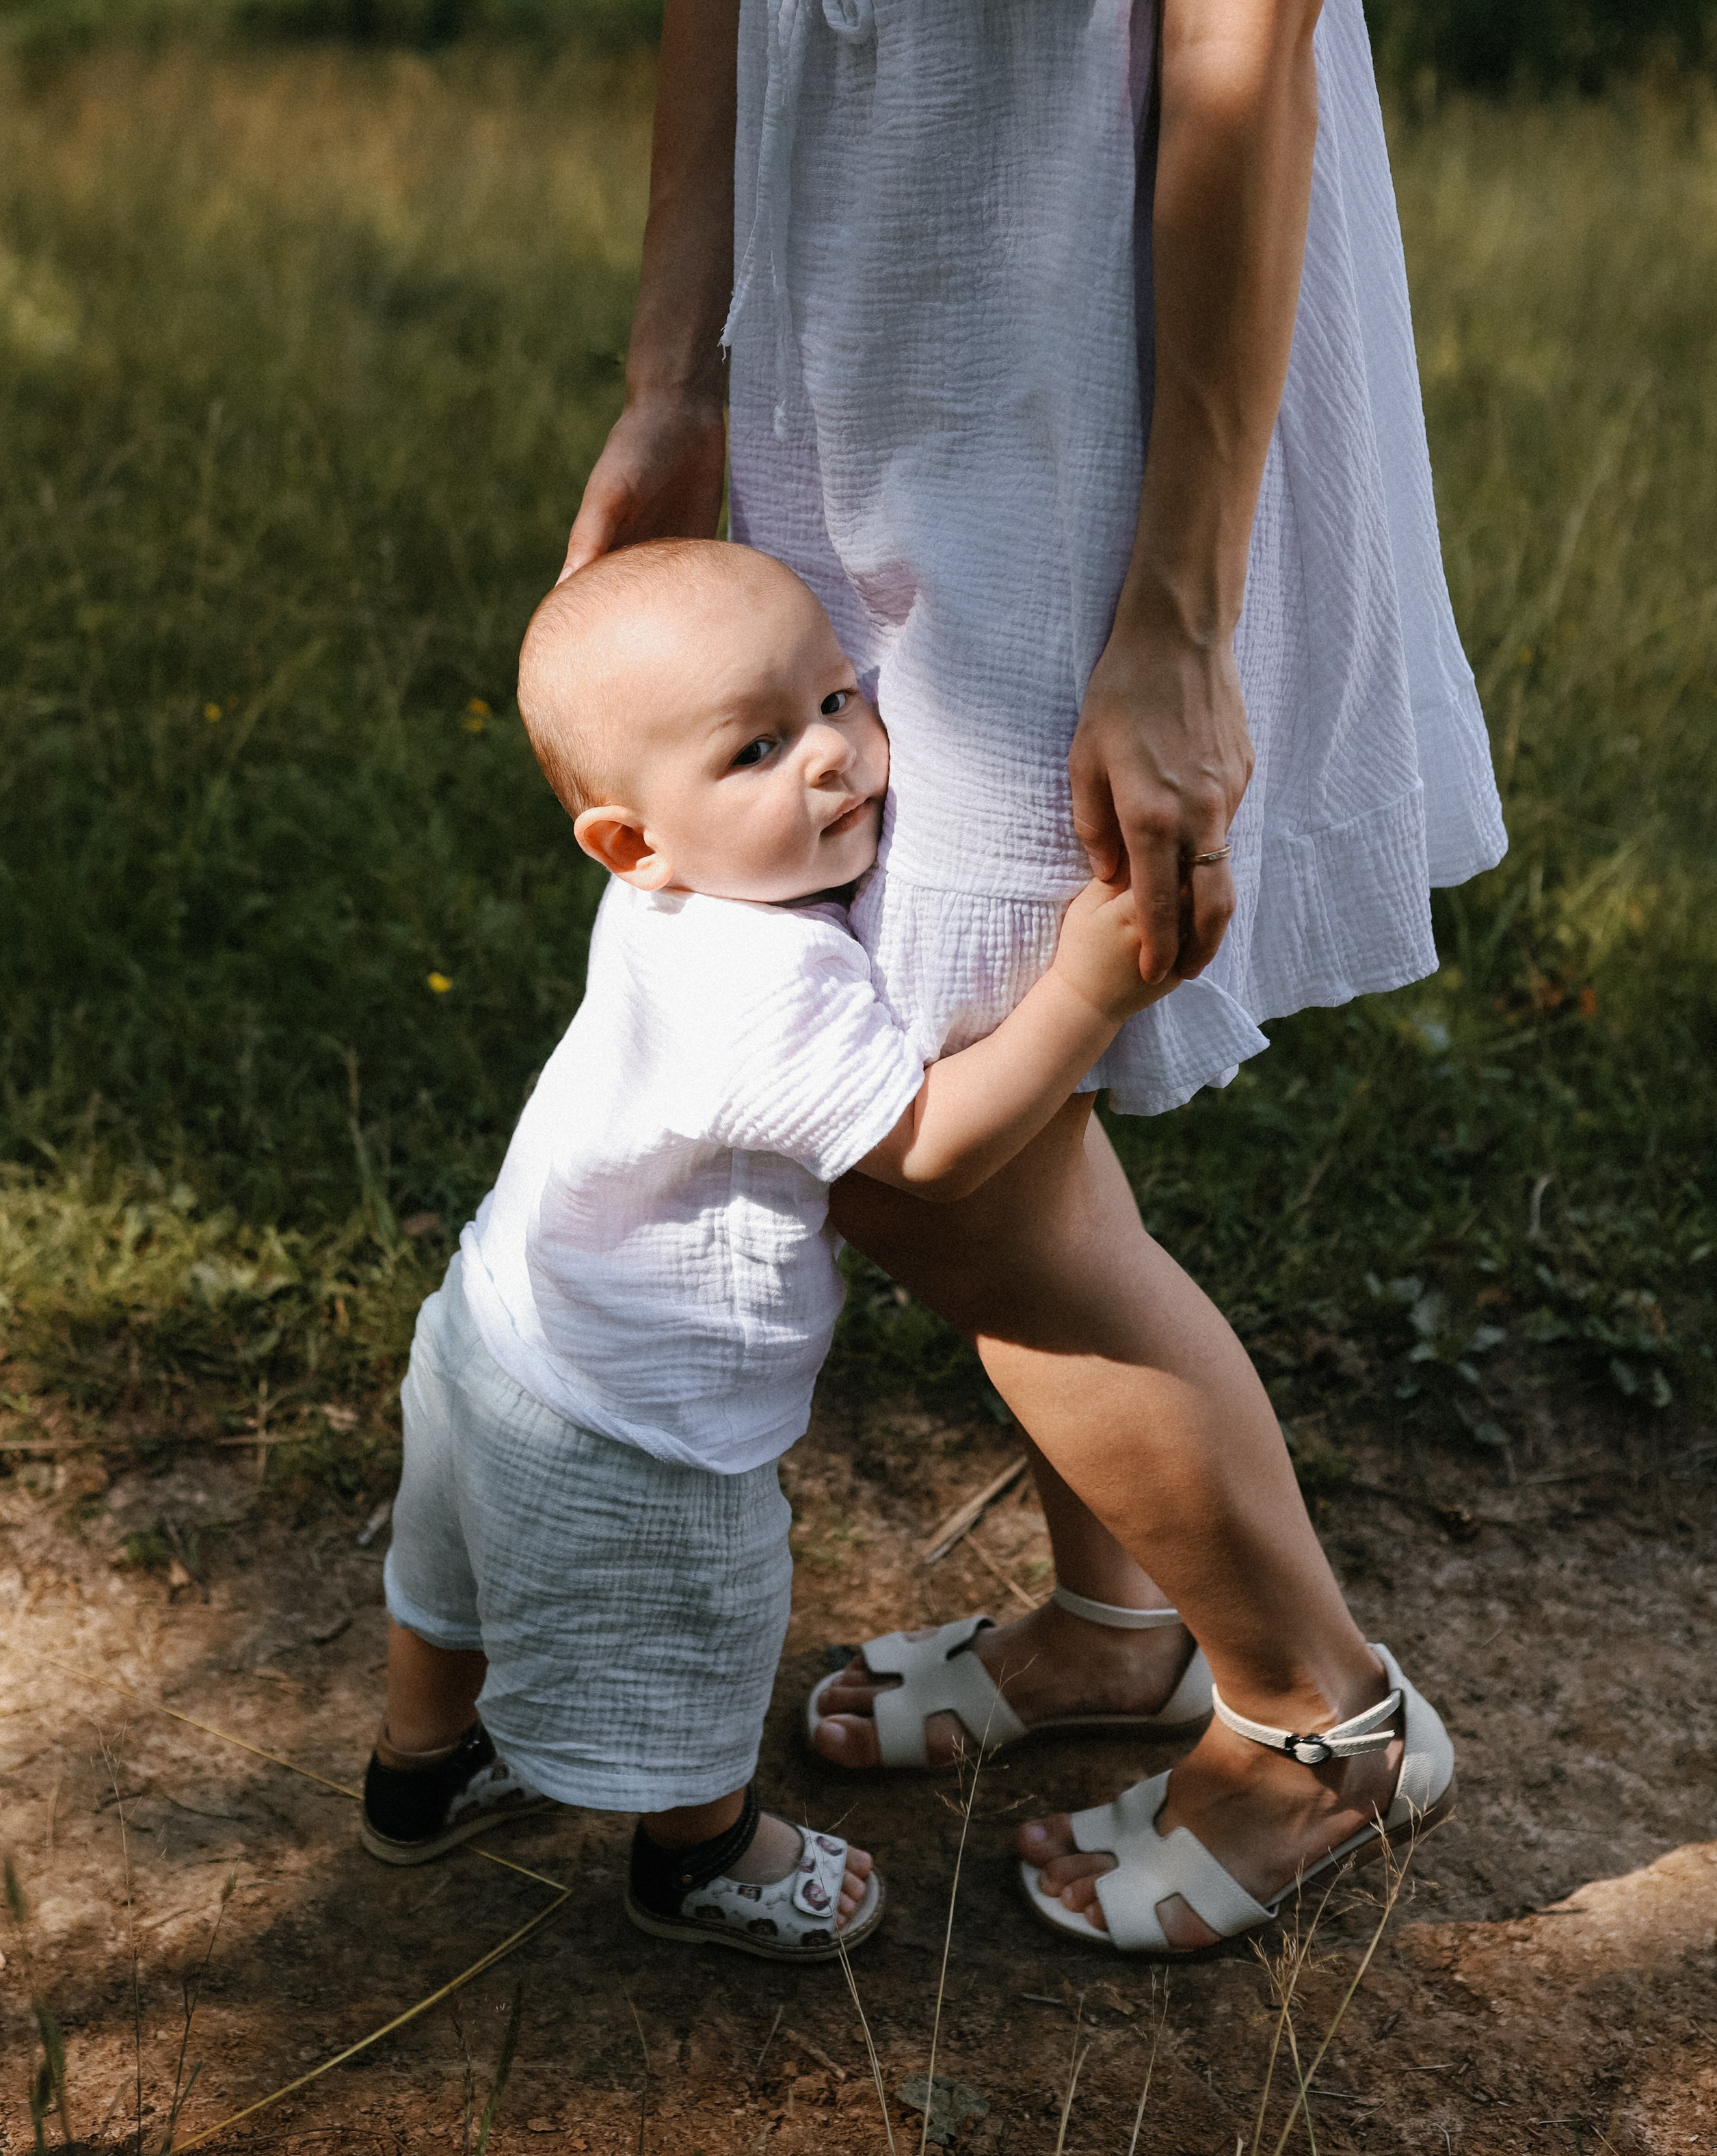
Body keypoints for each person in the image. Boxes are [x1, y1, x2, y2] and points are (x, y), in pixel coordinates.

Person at [566, 0, 1504, 1952]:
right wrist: (678, 377)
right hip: (838, 342)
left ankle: (1318, 1703)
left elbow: (1238, 41)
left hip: (1093, 375)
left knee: (926, 1137)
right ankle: (1111, 1621)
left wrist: (1176, 612)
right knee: (924, 1020)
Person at [361, 537, 1186, 1958]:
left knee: (447, 1573)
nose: (832, 758)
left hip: (496, 1328)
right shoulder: (767, 976)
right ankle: (702, 1855)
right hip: (639, 1419)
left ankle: (422, 1772)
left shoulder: (674, 904)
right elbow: (931, 1151)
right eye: (753, 750)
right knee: (693, 1622)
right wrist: (1084, 994)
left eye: (836, 699)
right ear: (631, 840)